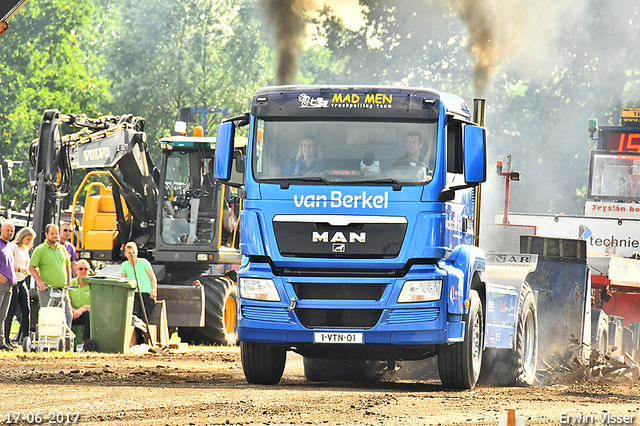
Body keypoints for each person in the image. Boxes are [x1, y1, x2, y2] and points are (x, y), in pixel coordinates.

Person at [29, 223, 73, 334]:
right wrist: (39, 281)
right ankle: (46, 339)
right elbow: (31, 267)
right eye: (52, 233)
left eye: (56, 233)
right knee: (48, 316)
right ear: (46, 234)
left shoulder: (62, 249)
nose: (55, 236)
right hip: (47, 290)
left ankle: (65, 340)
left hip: (62, 290)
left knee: (68, 315)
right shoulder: (40, 249)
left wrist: (68, 281)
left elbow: (68, 265)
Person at [4, 226, 35, 347]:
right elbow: (8, 264)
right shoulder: (13, 247)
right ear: (22, 237)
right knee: (10, 310)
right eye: (28, 239)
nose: (29, 242)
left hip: (22, 280)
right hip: (13, 280)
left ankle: (25, 338)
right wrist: (18, 269)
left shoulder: (25, 249)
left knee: (26, 309)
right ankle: (6, 339)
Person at [120, 242, 157, 344]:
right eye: (129, 253)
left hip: (146, 292)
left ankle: (143, 338)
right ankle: (140, 339)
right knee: (135, 315)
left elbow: (153, 278)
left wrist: (153, 290)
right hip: (134, 292)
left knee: (143, 314)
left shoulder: (144, 262)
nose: (132, 255)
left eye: (133, 252)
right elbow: (123, 280)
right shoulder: (125, 265)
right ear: (126, 254)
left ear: (137, 252)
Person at [0, 221, 16, 351]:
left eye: (12, 231)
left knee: (3, 315)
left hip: (9, 285)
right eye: (7, 230)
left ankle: (1, 342)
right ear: (1, 230)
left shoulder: (9, 246)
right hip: (1, 284)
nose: (10, 233)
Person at [68, 259, 91, 342]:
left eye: (86, 269)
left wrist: (82, 309)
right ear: (77, 271)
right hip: (72, 312)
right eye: (81, 269)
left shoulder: (92, 285)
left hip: (86, 312)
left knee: (90, 314)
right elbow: (67, 300)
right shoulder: (70, 283)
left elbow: (95, 304)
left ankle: (85, 340)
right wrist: (74, 311)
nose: (83, 271)